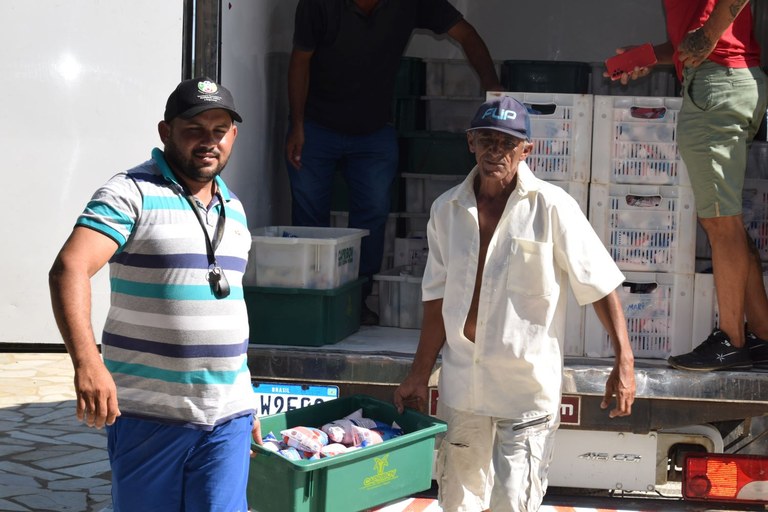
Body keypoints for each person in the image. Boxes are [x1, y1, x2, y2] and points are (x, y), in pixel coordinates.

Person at [393, 96, 636, 512]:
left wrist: (624, 362)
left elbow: (599, 284)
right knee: (457, 503)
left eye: (507, 143)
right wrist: (419, 375)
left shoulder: (552, 207)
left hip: (526, 392)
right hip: (462, 386)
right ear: (470, 142)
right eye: (486, 139)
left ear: (527, 150)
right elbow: (436, 301)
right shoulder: (446, 210)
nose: (495, 152)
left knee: (513, 504)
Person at [48, 77, 263, 512]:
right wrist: (88, 363)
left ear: (233, 135)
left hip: (227, 419)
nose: (209, 142)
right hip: (150, 417)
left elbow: (228, 312)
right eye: (194, 130)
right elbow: (69, 268)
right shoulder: (129, 193)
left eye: (219, 131)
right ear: (165, 132)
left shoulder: (234, 207)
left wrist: (247, 397)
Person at [285, 0, 502, 325]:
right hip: (317, 126)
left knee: (372, 216)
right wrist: (298, 125)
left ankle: (355, 302)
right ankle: (310, 304)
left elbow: (466, 34)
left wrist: (493, 91)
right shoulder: (318, 4)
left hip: (374, 130)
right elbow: (300, 61)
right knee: (309, 222)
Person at [609, 0, 768, 371]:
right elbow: (693, 40)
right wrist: (648, 56)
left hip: (717, 84)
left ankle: (731, 340)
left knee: (719, 221)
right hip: (727, 80)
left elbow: (706, 40)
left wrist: (708, 36)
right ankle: (761, 333)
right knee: (725, 220)